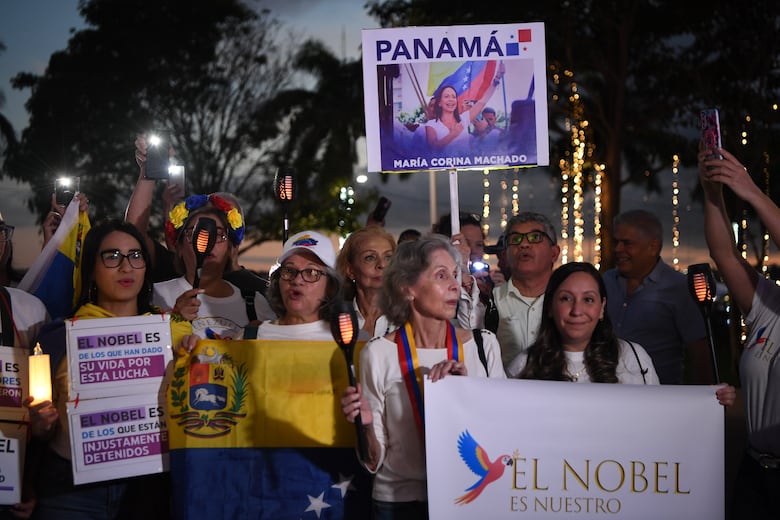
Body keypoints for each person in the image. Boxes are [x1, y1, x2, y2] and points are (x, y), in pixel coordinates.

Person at [24, 219, 191, 519]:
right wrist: (39, 427)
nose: (126, 267)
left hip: (146, 495)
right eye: (112, 256)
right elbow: (33, 429)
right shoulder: (57, 338)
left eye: (135, 256)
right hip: (69, 495)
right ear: (91, 269)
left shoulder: (175, 336)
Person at [340, 234, 505, 519]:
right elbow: (372, 462)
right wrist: (364, 425)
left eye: (454, 275)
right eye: (441, 276)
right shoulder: (377, 353)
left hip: (467, 498)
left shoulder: (483, 345)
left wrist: (465, 393)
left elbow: (503, 433)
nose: (455, 285)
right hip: (398, 502)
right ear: (407, 288)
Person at [507, 262, 736, 404]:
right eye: (566, 298)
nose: (577, 310)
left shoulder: (633, 357)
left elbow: (660, 418)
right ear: (549, 307)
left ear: (601, 308)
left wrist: (709, 402)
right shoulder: (524, 365)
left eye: (588, 299)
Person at [699, 146, 780, 519]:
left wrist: (749, 190)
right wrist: (713, 192)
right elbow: (725, 255)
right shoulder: (769, 307)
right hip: (755, 469)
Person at [603, 209, 712, 385]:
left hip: (658, 397)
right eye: (616, 242)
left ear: (653, 247)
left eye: (627, 243)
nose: (618, 249)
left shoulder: (678, 288)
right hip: (606, 392)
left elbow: (699, 353)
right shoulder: (606, 282)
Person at [152, 193, 275, 339]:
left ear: (231, 248)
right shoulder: (156, 296)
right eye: (195, 234)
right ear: (179, 248)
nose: (207, 242)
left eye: (217, 235)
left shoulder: (255, 303)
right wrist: (174, 319)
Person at [492, 212, 560, 372]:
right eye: (515, 239)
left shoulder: (570, 305)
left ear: (554, 253)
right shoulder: (491, 303)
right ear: (506, 254)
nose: (524, 244)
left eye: (535, 238)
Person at [424, 62, 505, 154]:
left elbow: (482, 101)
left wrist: (497, 78)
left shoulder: (463, 119)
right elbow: (433, 148)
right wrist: (453, 134)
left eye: (453, 97)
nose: (451, 100)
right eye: (446, 97)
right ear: (440, 103)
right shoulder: (432, 125)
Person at [335, 226, 398, 337]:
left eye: (388, 257)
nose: (382, 265)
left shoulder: (409, 317)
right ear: (350, 270)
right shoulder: (337, 319)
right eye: (370, 258)